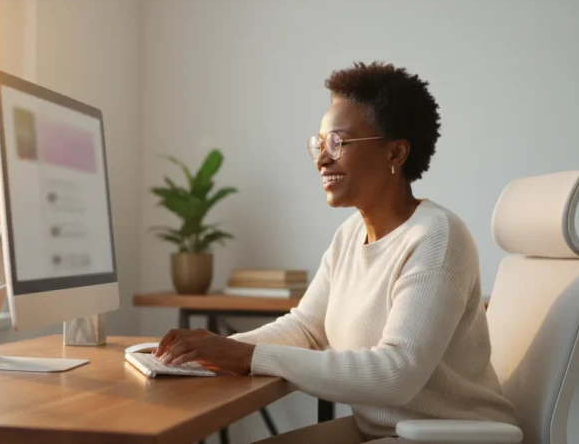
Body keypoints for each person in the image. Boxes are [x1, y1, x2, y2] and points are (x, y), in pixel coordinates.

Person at [153, 61, 520, 443]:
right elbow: (306, 328)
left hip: (443, 437)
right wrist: (214, 352)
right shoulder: (350, 235)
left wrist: (246, 357)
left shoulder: (437, 237)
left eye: (338, 143)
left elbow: (397, 374)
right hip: (380, 432)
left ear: (395, 153)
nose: (321, 159)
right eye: (319, 143)